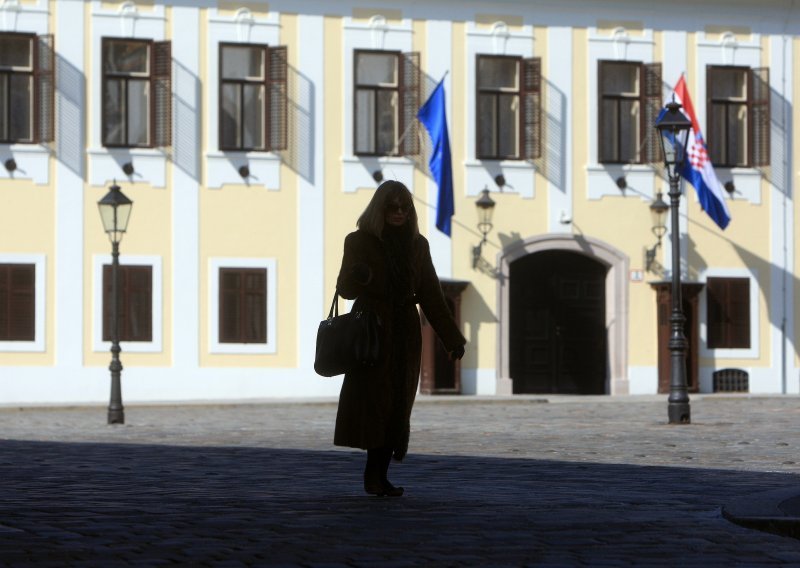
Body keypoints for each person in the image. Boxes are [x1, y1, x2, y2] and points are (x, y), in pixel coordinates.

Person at [334, 180, 466, 497]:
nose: (399, 213)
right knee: (373, 404)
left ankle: (381, 476)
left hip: (406, 333)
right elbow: (345, 290)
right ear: (380, 209)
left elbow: (432, 296)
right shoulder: (359, 241)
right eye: (392, 207)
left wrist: (452, 338)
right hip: (372, 330)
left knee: (398, 405)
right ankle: (372, 476)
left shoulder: (417, 246)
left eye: (405, 207)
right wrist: (357, 275)